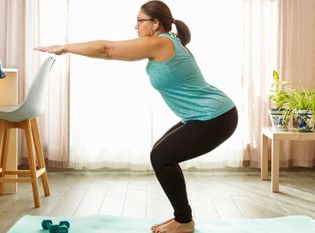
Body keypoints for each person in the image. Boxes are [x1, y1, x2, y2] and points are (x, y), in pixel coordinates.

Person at [35, 1, 238, 232]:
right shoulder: (165, 42)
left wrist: (64, 47)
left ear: (155, 24)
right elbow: (109, 53)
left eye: (139, 21)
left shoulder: (161, 43)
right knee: (161, 154)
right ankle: (182, 217)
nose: (135, 26)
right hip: (206, 115)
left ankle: (184, 221)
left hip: (214, 117)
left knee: (162, 157)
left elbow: (107, 50)